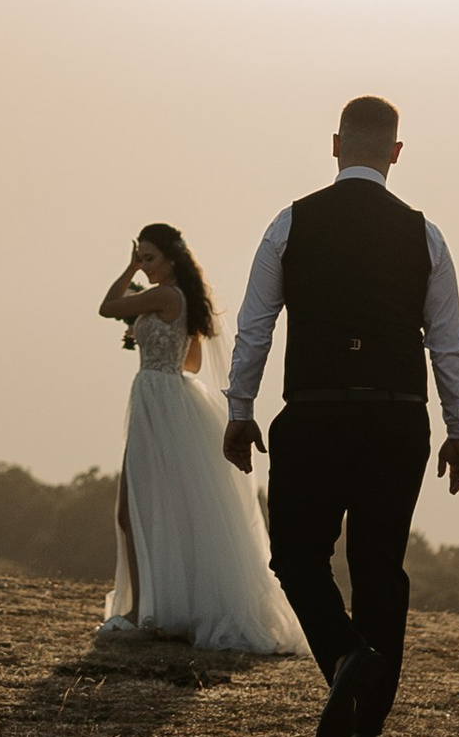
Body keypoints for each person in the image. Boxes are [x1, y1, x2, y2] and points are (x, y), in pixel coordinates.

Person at [221, 96, 459, 737]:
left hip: (315, 410)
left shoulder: (290, 222)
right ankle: (367, 730)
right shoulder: (425, 235)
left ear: (336, 144)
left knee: (296, 556)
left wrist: (240, 410)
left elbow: (254, 327)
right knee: (379, 567)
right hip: (397, 416)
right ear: (395, 152)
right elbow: (447, 343)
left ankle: (344, 655)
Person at [94, 223, 311, 658]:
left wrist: (128, 272)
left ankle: (140, 611)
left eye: (149, 258)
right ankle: (151, 607)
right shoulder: (182, 300)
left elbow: (107, 307)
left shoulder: (165, 295)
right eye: (140, 258)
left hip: (157, 401)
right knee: (149, 509)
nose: (144, 265)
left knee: (133, 510)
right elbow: (190, 362)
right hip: (167, 401)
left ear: (170, 258)